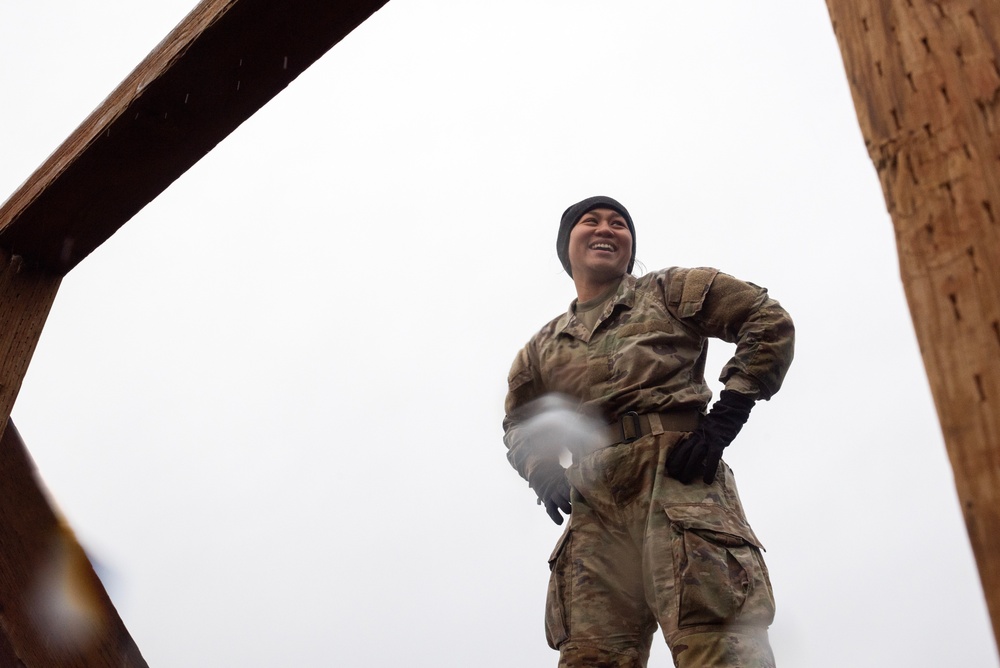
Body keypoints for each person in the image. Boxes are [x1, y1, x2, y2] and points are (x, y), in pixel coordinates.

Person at [502, 196, 795, 667]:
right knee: (591, 657)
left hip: (679, 485)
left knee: (717, 644)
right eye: (590, 222)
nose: (606, 229)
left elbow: (765, 318)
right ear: (567, 246)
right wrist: (541, 469)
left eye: (619, 224)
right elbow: (519, 422)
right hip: (594, 504)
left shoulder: (669, 290)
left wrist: (727, 415)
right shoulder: (543, 347)